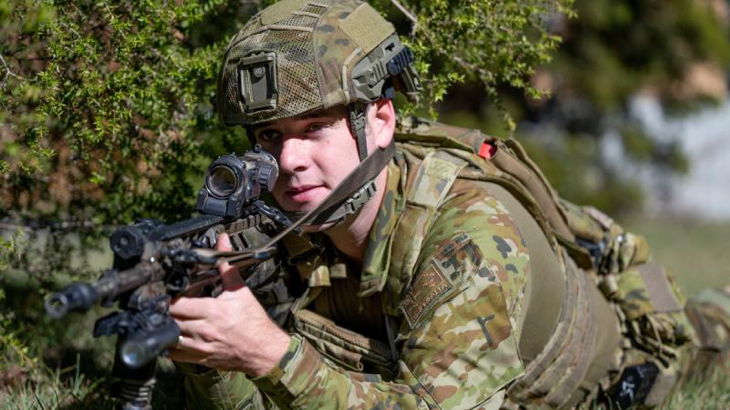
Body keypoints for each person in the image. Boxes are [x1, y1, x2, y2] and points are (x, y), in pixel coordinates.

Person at [167, 0, 730, 408]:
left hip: (644, 358)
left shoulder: (470, 238)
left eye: (315, 128)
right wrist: (211, 351)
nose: (288, 160)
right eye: (268, 136)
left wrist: (269, 353)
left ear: (381, 121)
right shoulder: (282, 227)